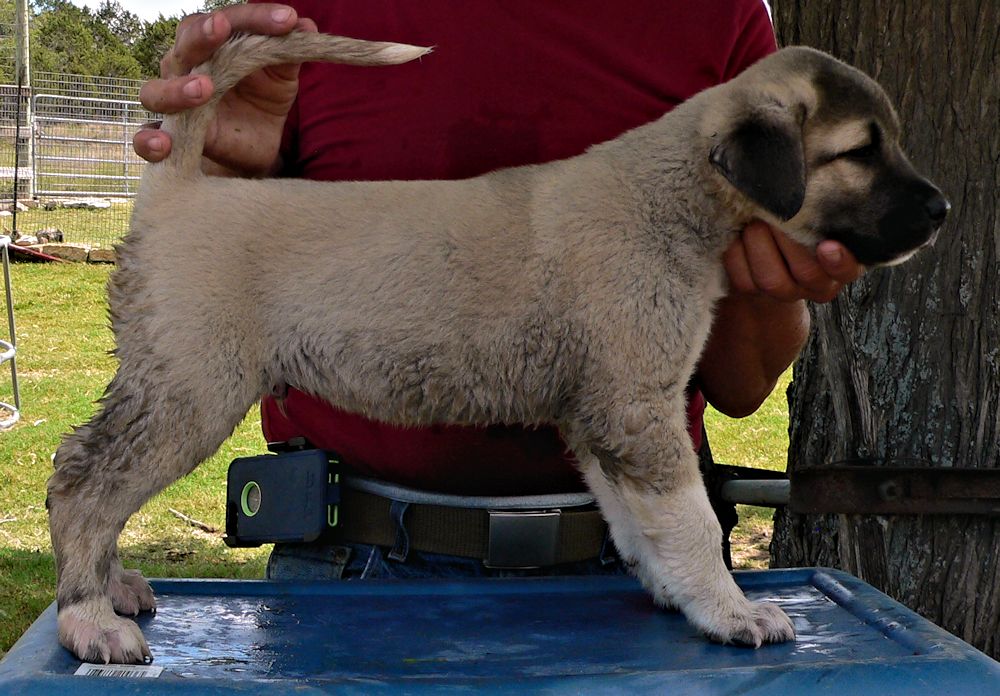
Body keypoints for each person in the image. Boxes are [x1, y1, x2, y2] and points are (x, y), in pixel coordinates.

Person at [135, 1, 862, 578]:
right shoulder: (305, 14)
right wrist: (222, 178)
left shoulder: (720, 17)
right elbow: (218, 272)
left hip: (633, 567)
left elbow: (742, 382)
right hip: (348, 566)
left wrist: (772, 273)